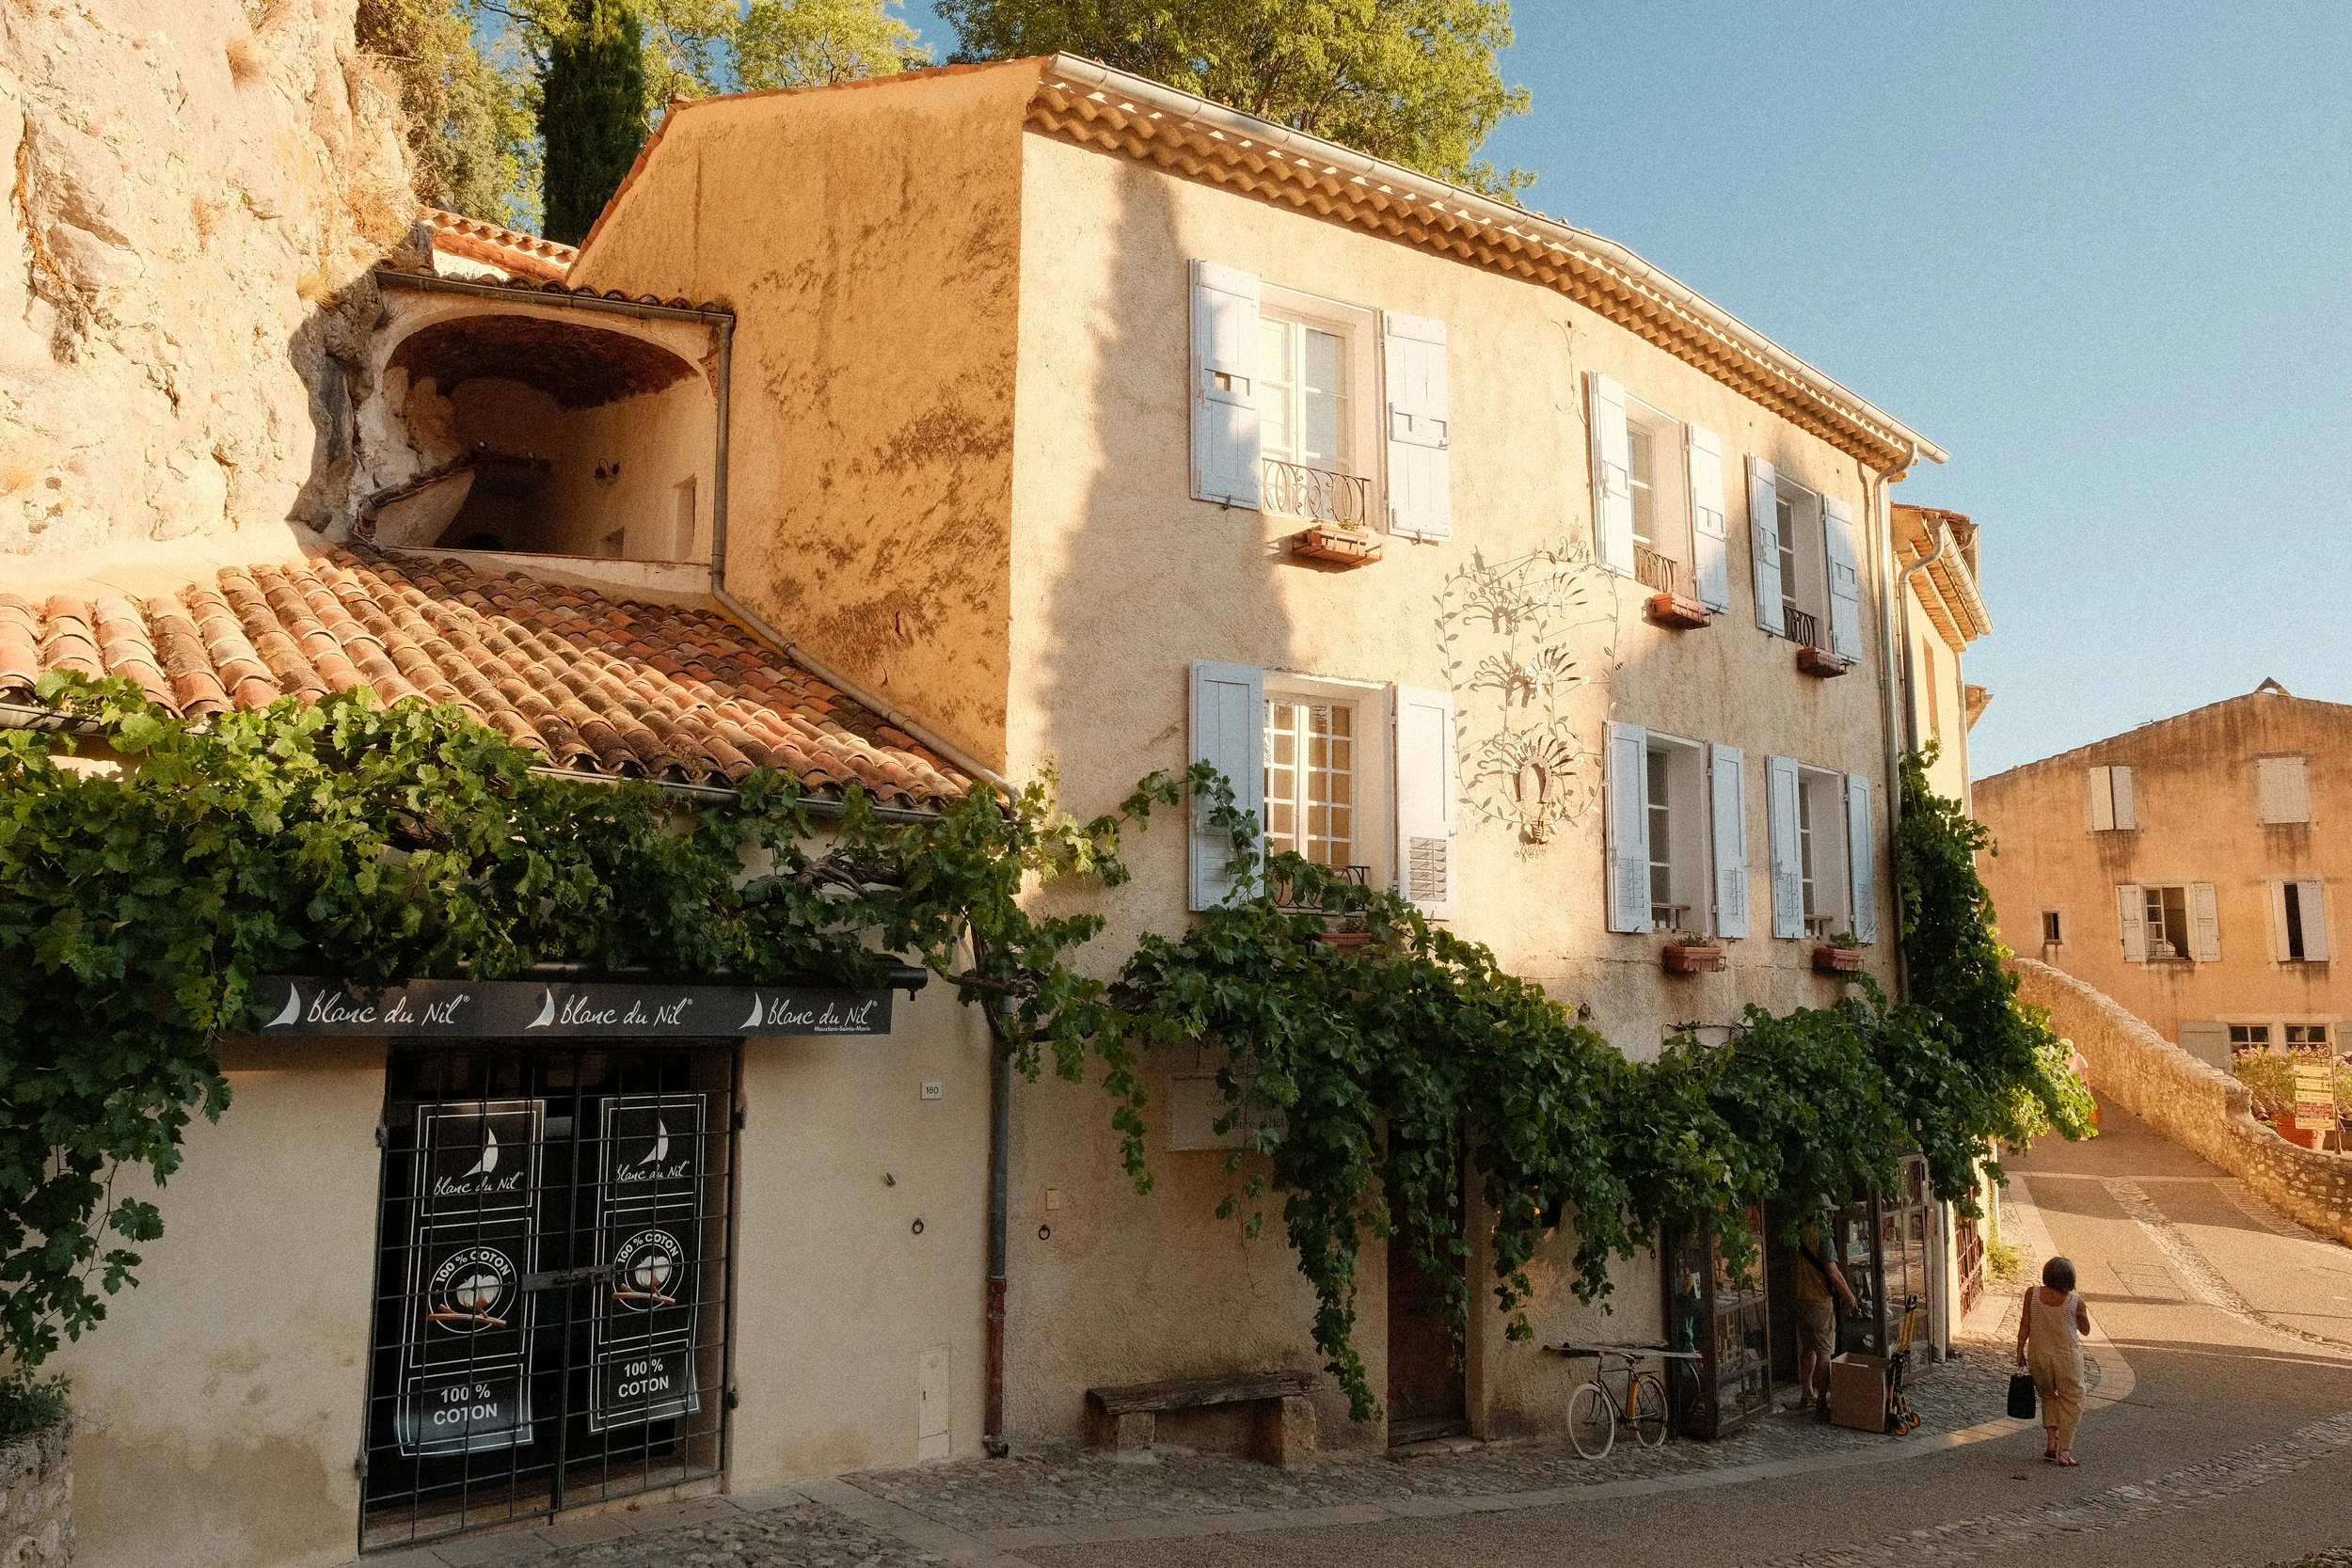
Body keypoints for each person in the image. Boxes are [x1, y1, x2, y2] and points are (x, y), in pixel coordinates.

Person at [2014, 1255, 2092, 1465]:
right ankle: (2064, 1450)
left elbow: (2025, 1324)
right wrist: (2081, 1315)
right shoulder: (2074, 1302)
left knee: (2048, 1396)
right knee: (2072, 1399)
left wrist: (2020, 1351)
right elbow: (2084, 1331)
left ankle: (2051, 1441)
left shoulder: (2033, 1293)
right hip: (2067, 1356)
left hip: (2039, 1354)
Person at [1793, 1216, 1859, 1410]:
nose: (1831, 1218)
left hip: (1799, 1296)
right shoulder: (1823, 1236)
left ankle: (1807, 1393)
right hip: (1819, 1300)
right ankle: (1822, 1401)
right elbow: (1832, 1271)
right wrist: (1849, 1296)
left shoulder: (1798, 1230)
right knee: (1824, 1351)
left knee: (1808, 1347)